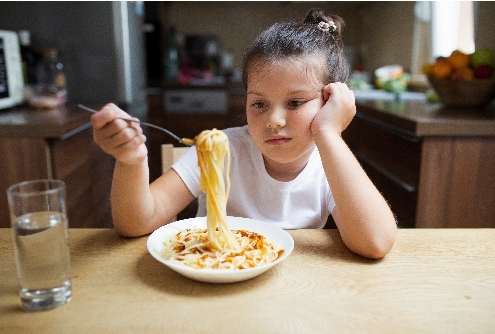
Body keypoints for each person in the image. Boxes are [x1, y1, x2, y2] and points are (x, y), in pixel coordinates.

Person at [90, 8, 397, 259]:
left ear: (330, 101)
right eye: (259, 103)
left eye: (295, 102)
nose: (274, 120)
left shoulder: (329, 164)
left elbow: (376, 242)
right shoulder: (221, 149)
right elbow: (136, 223)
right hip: (213, 277)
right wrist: (131, 160)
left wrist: (329, 134)